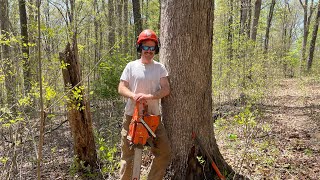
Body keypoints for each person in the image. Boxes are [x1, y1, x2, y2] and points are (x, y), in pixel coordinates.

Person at [118, 29, 172, 180]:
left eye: (152, 48)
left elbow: (166, 89)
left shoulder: (160, 68)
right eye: (146, 48)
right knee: (128, 157)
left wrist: (149, 96)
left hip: (153, 118)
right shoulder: (131, 66)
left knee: (164, 152)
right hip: (131, 117)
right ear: (140, 48)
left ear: (156, 49)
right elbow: (121, 87)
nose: (148, 51)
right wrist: (133, 96)